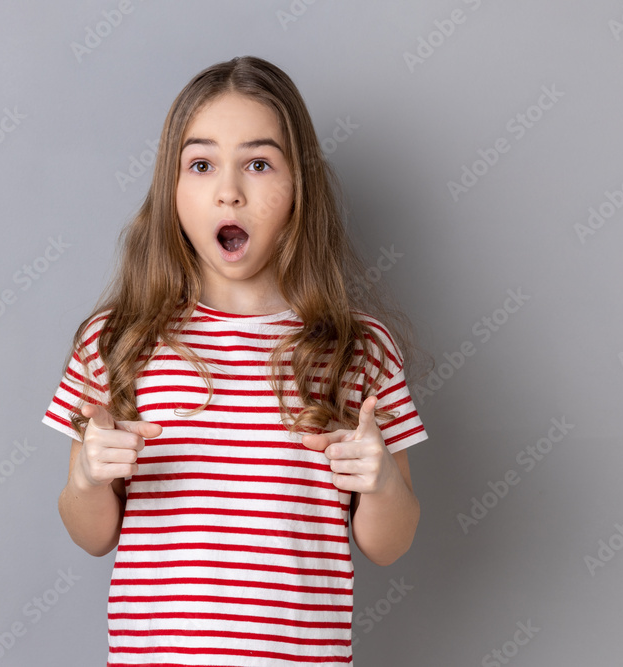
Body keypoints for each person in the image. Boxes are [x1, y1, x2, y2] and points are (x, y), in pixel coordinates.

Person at [42, 55, 433, 665]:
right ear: (172, 191)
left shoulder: (358, 350)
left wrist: (381, 484)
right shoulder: (115, 341)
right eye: (200, 165)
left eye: (257, 163)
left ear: (299, 185)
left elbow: (391, 543)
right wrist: (87, 478)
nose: (229, 190)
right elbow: (92, 534)